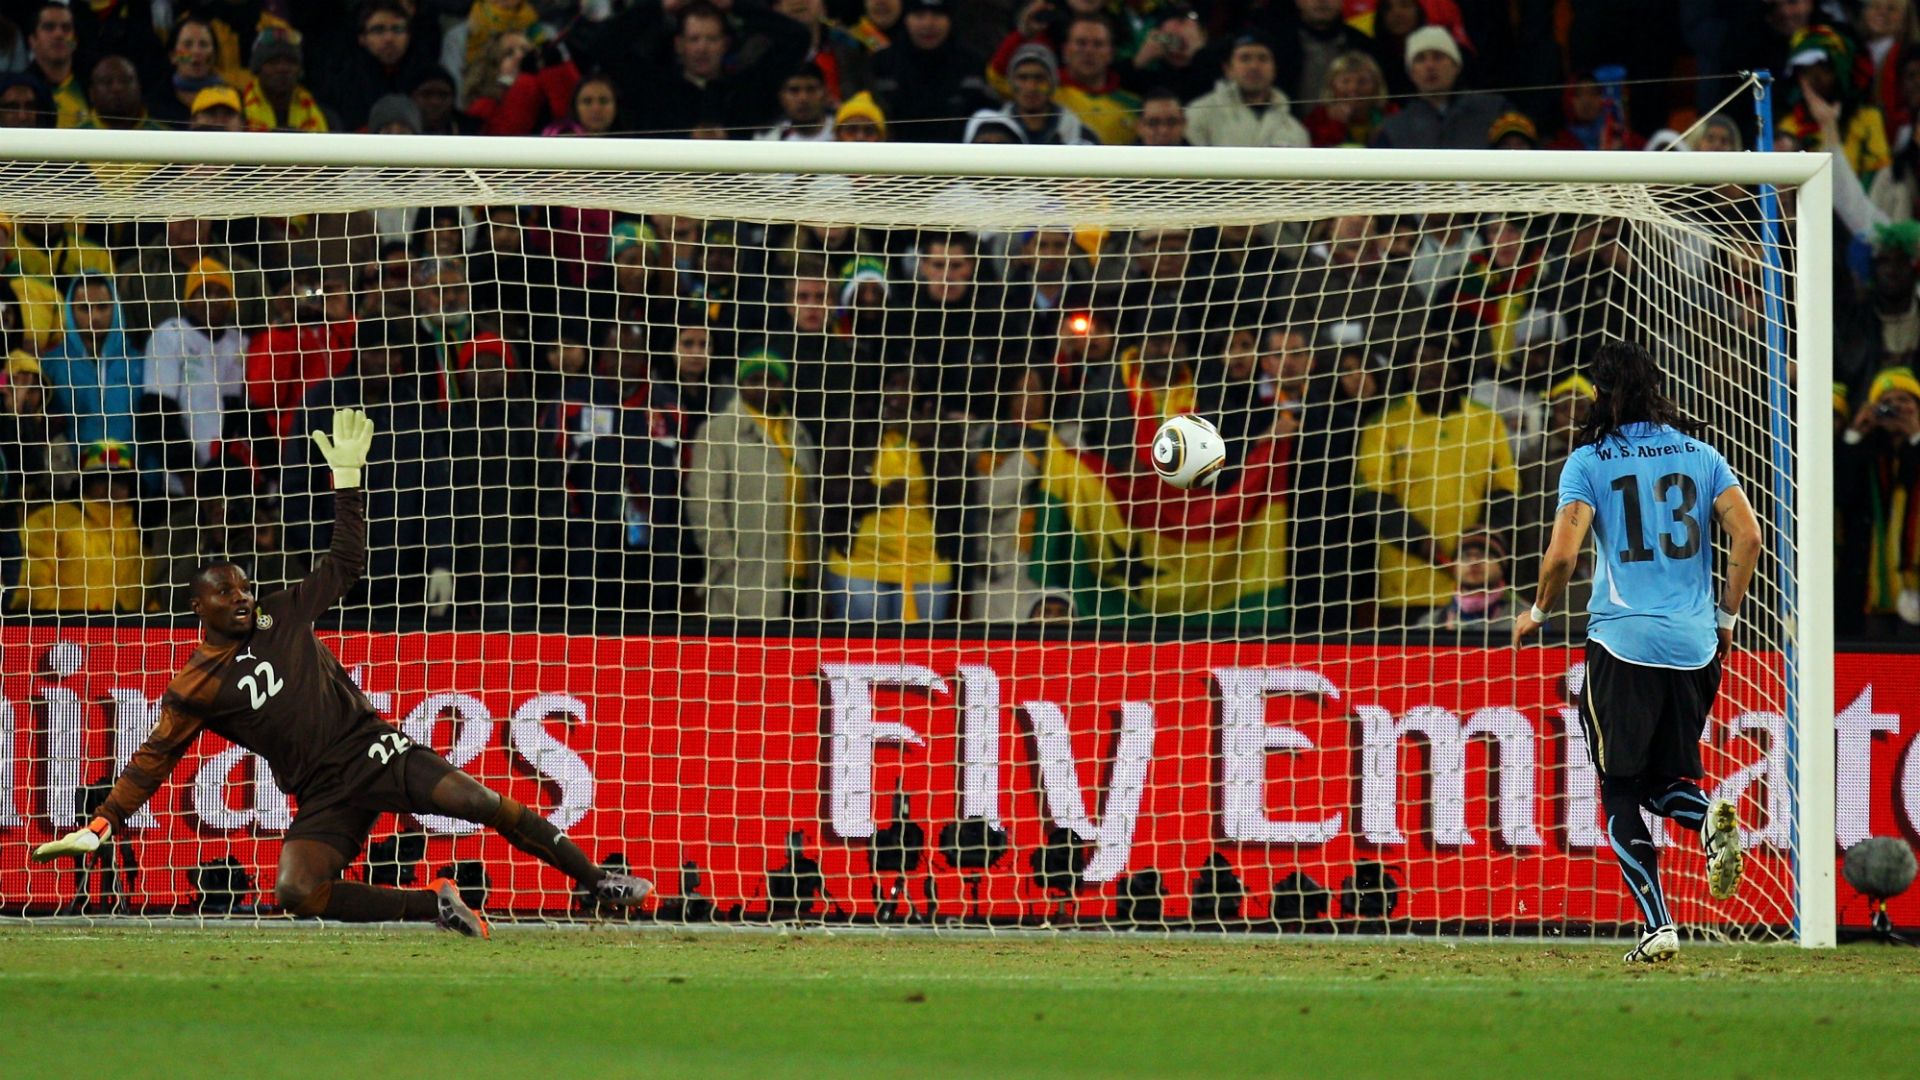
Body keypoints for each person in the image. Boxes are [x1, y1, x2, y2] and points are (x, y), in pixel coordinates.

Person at [30, 409, 654, 936]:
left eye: (245, 587)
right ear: (200, 607)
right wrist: (102, 822)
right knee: (298, 892)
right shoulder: (195, 685)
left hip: (375, 748)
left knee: (483, 801)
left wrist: (348, 480)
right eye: (226, 593)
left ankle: (600, 881)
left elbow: (345, 561)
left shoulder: (283, 613)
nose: (243, 597)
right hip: (322, 791)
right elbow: (153, 757)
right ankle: (431, 905)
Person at [1513, 339, 1760, 964]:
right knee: (1660, 782)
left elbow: (1564, 555)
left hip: (1623, 642)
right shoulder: (1703, 456)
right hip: (1696, 644)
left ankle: (1658, 925)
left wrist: (1538, 610)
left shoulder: (1589, 461)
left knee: (1619, 787)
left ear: (1602, 394)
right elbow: (1749, 536)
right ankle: (1705, 818)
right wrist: (1726, 617)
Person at [685, 354, 820, 619]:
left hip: (800, 573)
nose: (764, 387)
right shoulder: (718, 432)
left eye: (773, 380)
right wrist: (725, 557)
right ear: (741, 383)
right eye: (755, 379)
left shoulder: (798, 433)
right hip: (745, 577)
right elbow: (704, 502)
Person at [1184, 32, 1310, 149]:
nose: (1254, 66)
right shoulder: (1199, 115)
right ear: (1228, 68)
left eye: (1263, 58)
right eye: (1245, 58)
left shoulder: (1294, 129)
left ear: (1274, 68)